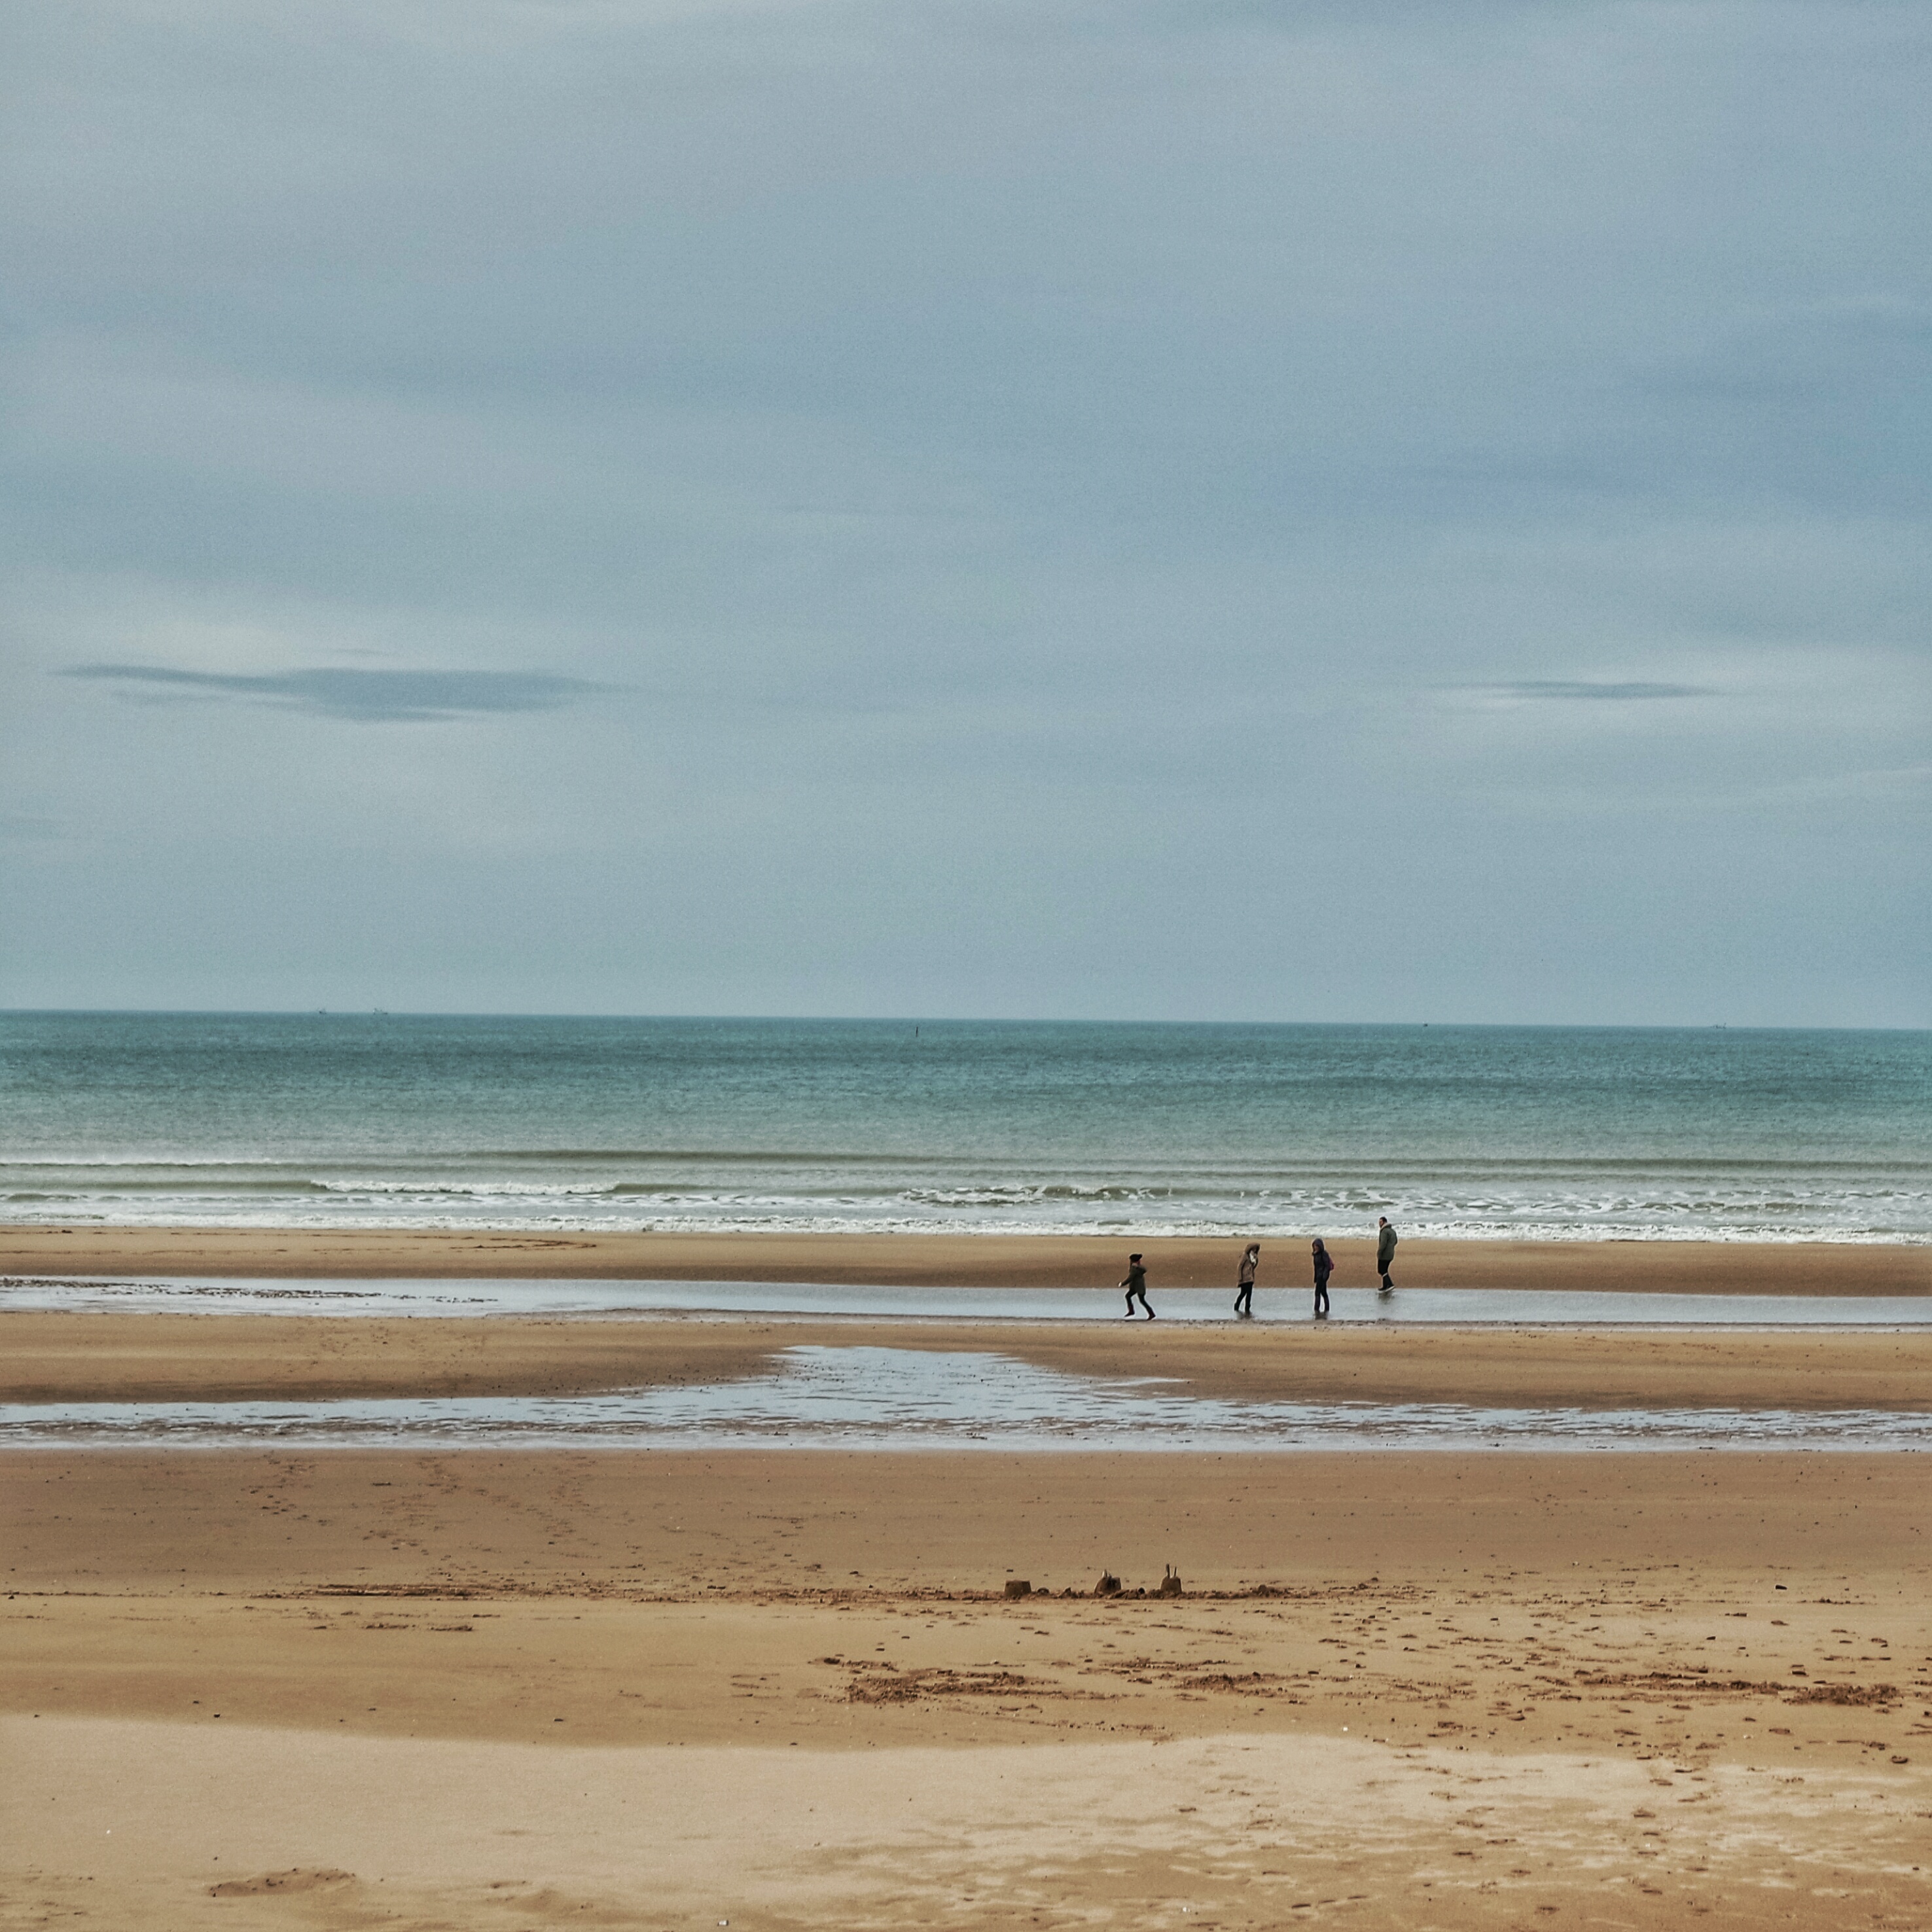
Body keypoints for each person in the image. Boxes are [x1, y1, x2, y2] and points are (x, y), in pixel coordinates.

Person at [1121, 1252, 1154, 1319]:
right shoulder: (1138, 1267)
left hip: (1138, 1288)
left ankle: (1151, 1313)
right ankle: (1132, 1311)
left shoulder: (1135, 1269)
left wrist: (1122, 1284)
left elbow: (1130, 1278)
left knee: (1142, 1300)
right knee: (1128, 1296)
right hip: (1136, 1287)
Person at [1234, 1243, 1260, 1317]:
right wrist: (1240, 1277)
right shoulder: (1245, 1256)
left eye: (1256, 1249)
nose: (1255, 1250)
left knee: (1249, 1294)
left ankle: (1247, 1308)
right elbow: (1240, 1266)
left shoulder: (1253, 1257)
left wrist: (1256, 1260)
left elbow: (1254, 1266)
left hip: (1250, 1278)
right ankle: (1236, 1306)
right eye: (1254, 1249)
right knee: (1243, 1293)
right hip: (1244, 1278)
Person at [1311, 1238, 1333, 1317]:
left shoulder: (1324, 1254)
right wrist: (1316, 1278)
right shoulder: (1315, 1254)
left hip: (1323, 1277)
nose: (1315, 1247)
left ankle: (1317, 1310)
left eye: (1317, 1246)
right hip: (1318, 1276)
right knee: (1323, 1293)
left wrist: (1324, 1277)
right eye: (1314, 1246)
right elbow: (1316, 1268)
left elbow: (1327, 1266)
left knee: (1318, 1293)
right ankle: (1326, 1310)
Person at [1376, 1215, 1398, 1292]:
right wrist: (1391, 1247)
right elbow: (1396, 1241)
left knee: (1381, 1270)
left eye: (1381, 1222)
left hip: (1384, 1254)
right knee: (1384, 1270)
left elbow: (1383, 1243)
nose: (1380, 1224)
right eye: (1379, 1222)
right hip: (1391, 1254)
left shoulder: (1384, 1231)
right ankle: (1385, 1286)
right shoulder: (1392, 1231)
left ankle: (1390, 1284)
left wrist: (1379, 1252)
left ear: (1384, 1222)